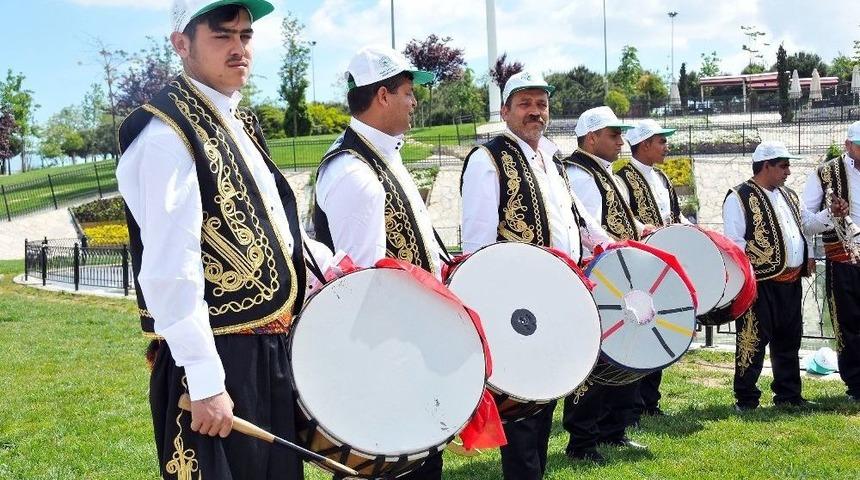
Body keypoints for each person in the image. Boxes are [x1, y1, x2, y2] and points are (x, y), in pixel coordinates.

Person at [117, 1, 333, 479]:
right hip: (219, 356)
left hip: (266, 349)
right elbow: (171, 267)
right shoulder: (165, 133)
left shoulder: (236, 120)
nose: (239, 48)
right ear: (181, 44)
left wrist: (328, 266)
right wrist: (206, 379)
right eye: (222, 36)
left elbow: (271, 222)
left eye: (245, 36)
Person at [460, 71, 611, 479]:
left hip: (558, 294)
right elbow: (476, 244)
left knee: (545, 395)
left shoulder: (552, 158)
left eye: (541, 104)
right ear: (505, 110)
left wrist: (608, 244)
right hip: (516, 302)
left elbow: (578, 217)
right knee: (524, 406)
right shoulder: (487, 160)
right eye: (524, 104)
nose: (535, 112)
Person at [312, 45, 446, 479]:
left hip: (409, 338)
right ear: (383, 95)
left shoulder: (382, 154)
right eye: (408, 92)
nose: (415, 101)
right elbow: (361, 285)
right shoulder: (355, 174)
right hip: (387, 352)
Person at [560, 106, 646, 464]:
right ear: (591, 137)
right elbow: (587, 228)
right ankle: (582, 441)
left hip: (616, 276)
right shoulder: (581, 175)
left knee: (622, 356)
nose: (621, 141)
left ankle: (613, 430)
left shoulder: (604, 172)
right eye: (614, 135)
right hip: (600, 280)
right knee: (595, 362)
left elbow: (615, 223)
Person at [723, 141, 833, 411]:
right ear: (766, 166)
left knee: (789, 340)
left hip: (791, 281)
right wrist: (744, 284)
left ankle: (789, 395)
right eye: (783, 166)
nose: (788, 171)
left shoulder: (790, 196)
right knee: (752, 341)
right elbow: (734, 244)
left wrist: (831, 214)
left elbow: (807, 225)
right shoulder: (739, 196)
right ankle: (746, 399)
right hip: (760, 284)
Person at [616, 119, 692, 420]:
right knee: (638, 330)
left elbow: (675, 215)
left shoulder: (661, 177)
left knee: (656, 327)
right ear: (645, 143)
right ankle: (634, 402)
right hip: (638, 267)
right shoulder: (622, 177)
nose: (666, 146)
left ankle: (650, 400)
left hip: (662, 268)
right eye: (661, 140)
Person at [802, 121, 859, 402]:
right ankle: (856, 385)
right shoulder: (825, 173)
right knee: (847, 322)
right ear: (848, 145)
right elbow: (807, 223)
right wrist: (830, 214)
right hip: (842, 257)